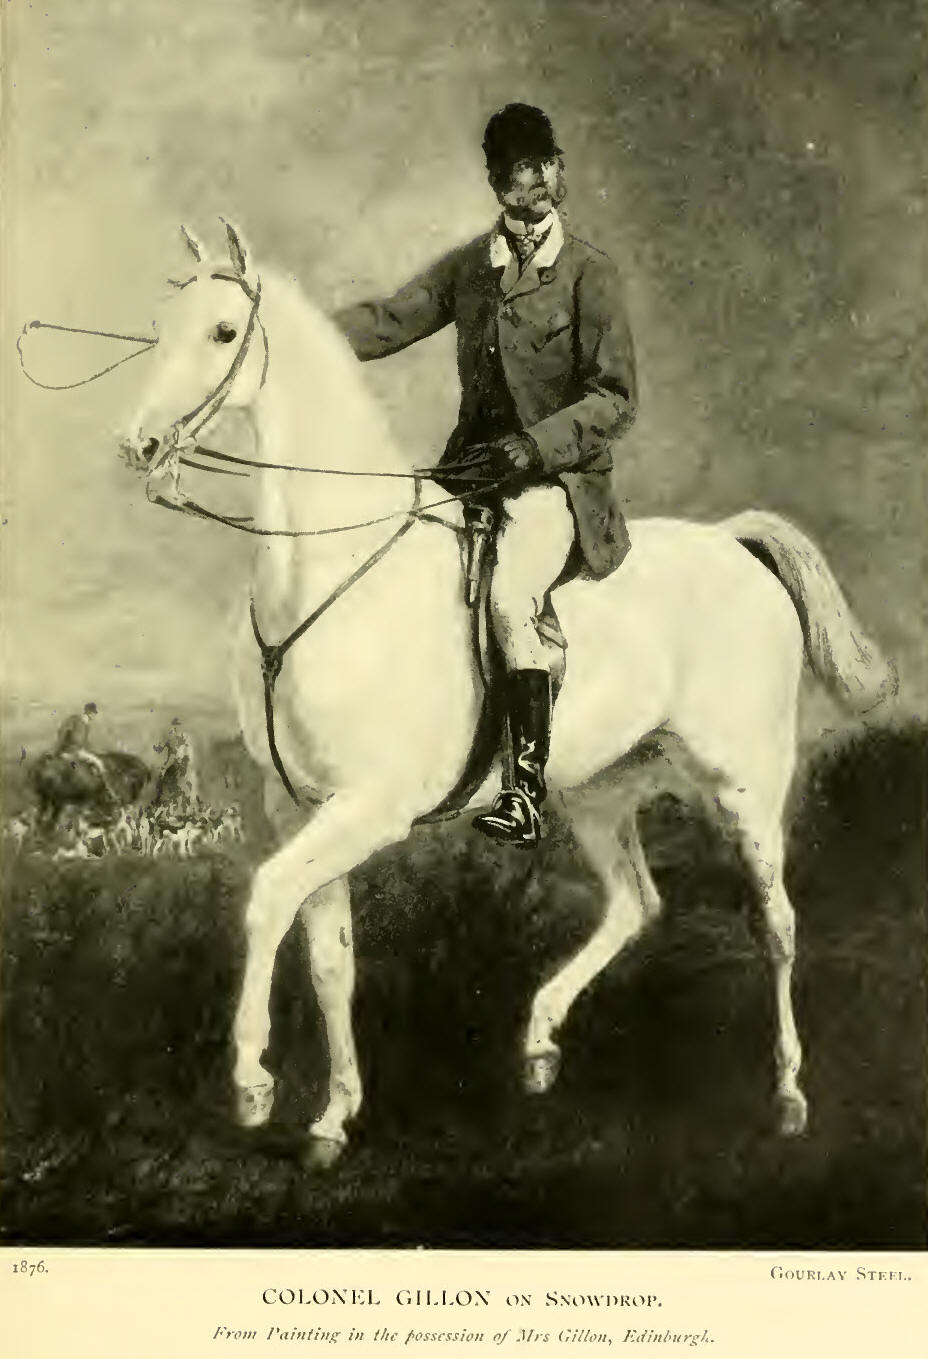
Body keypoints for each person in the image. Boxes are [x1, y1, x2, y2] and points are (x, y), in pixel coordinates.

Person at [335, 104, 638, 846]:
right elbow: (390, 320)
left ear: (558, 170)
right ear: (500, 183)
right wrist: (289, 330)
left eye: (545, 165)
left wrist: (534, 447)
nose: (538, 180)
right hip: (469, 472)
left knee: (508, 598)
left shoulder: (590, 274)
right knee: (394, 560)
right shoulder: (472, 267)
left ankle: (525, 789)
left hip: (557, 482)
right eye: (521, 170)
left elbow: (614, 399)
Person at [53, 702, 117, 807]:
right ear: (90, 713)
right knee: (99, 764)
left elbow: (67, 734)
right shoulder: (79, 722)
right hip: (75, 751)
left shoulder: (77, 721)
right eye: (93, 714)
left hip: (71, 750)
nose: (93, 716)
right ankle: (108, 792)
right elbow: (76, 739)